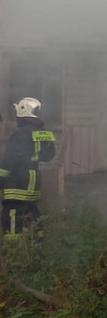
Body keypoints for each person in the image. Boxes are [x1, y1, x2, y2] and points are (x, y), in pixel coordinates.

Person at [1, 97, 57, 237]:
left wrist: (1, 178)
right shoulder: (45, 133)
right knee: (31, 208)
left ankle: (13, 244)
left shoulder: (19, 134)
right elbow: (49, 155)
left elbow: (10, 159)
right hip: (34, 179)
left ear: (23, 112)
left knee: (12, 210)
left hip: (18, 180)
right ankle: (38, 240)